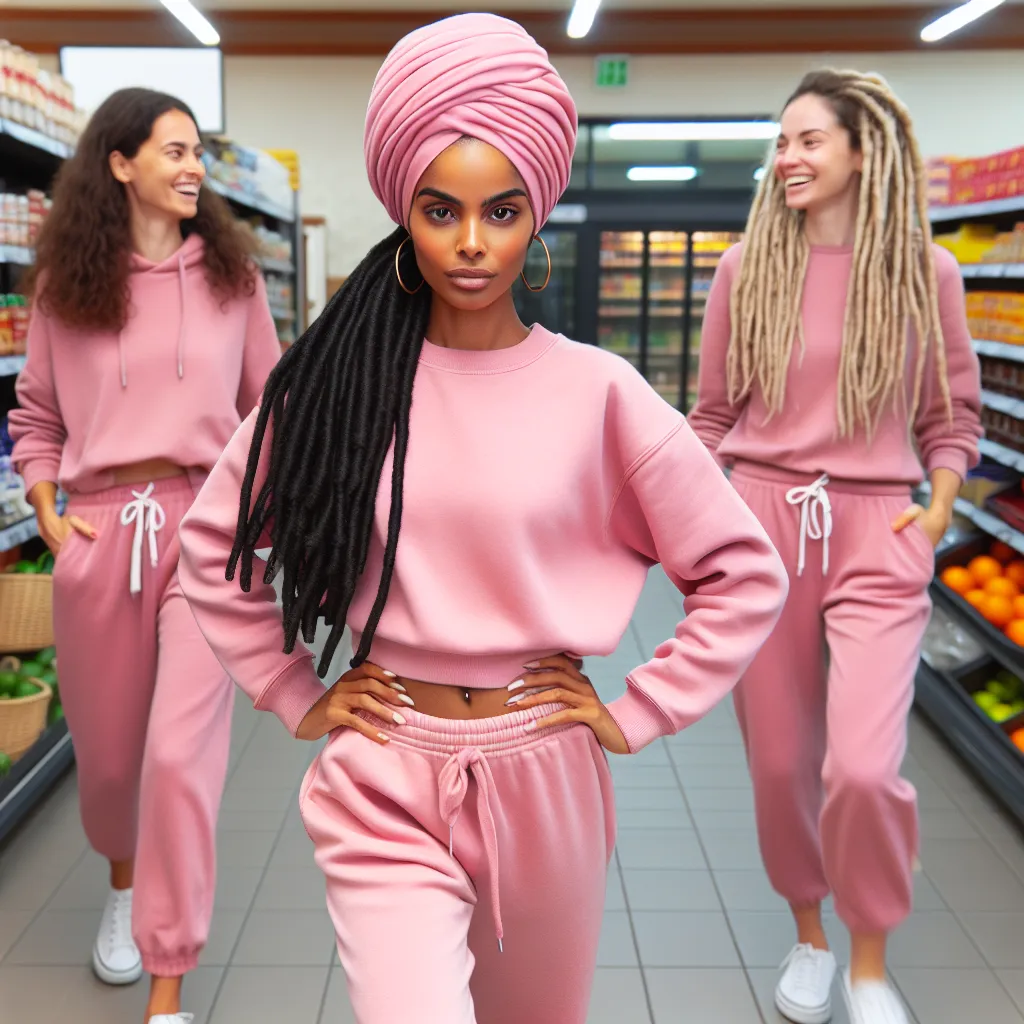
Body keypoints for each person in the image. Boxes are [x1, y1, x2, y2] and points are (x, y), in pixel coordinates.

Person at [176, 14, 789, 1024]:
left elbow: (741, 572)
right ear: (403, 215)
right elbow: (213, 543)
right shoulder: (336, 384)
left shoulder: (603, 394)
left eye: (500, 210)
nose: (470, 241)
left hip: (545, 771)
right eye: (440, 209)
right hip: (381, 771)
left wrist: (636, 709)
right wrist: (294, 691)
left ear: (535, 212)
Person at [689, 69, 982, 1024]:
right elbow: (712, 416)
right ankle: (808, 936)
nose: (789, 159)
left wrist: (934, 511)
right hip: (764, 524)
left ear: (865, 150)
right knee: (781, 762)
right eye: (782, 144)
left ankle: (867, 961)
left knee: (861, 766)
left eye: (809, 140)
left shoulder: (923, 275)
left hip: (876, 527)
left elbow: (952, 417)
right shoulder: (746, 270)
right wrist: (687, 523)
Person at [9, 89, 281, 1024]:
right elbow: (37, 415)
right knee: (116, 759)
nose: (192, 164)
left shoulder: (232, 284)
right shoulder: (65, 287)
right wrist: (46, 503)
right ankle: (124, 890)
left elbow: (270, 414)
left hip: (204, 529)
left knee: (179, 754)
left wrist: (261, 523)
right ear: (120, 163)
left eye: (197, 149)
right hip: (98, 534)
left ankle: (168, 989)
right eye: (172, 150)